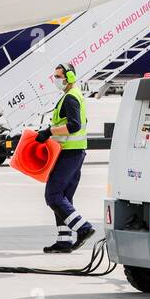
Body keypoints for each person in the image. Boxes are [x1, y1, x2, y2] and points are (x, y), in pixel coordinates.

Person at [38, 63, 95, 254]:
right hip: (75, 151)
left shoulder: (70, 98)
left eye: (58, 76)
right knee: (65, 197)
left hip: (69, 152)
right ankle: (64, 241)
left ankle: (83, 228)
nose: (56, 80)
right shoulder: (73, 95)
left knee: (53, 195)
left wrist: (49, 131)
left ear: (69, 77)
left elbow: (74, 126)